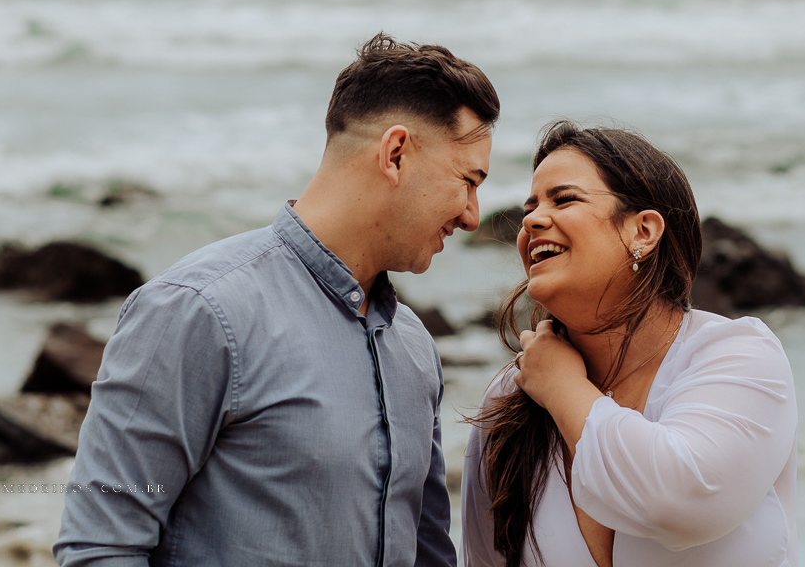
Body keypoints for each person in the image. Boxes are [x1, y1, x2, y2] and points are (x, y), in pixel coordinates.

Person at [54, 34, 499, 567]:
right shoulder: (197, 311)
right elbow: (100, 545)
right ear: (396, 153)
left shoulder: (413, 347)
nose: (473, 215)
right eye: (468, 181)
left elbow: (428, 553)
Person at [461, 122, 798, 567]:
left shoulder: (737, 355)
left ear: (643, 232)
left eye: (564, 199)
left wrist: (563, 387)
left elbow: (683, 501)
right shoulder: (511, 397)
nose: (531, 220)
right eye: (531, 207)